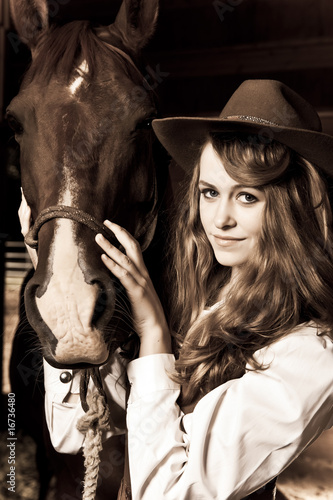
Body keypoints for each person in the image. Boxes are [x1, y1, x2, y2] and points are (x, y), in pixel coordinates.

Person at [20, 79, 333, 499]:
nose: (219, 218)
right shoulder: (200, 300)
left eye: (247, 197)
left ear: (291, 205)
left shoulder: (311, 354)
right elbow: (73, 434)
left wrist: (153, 333)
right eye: (209, 192)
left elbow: (167, 493)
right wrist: (58, 286)